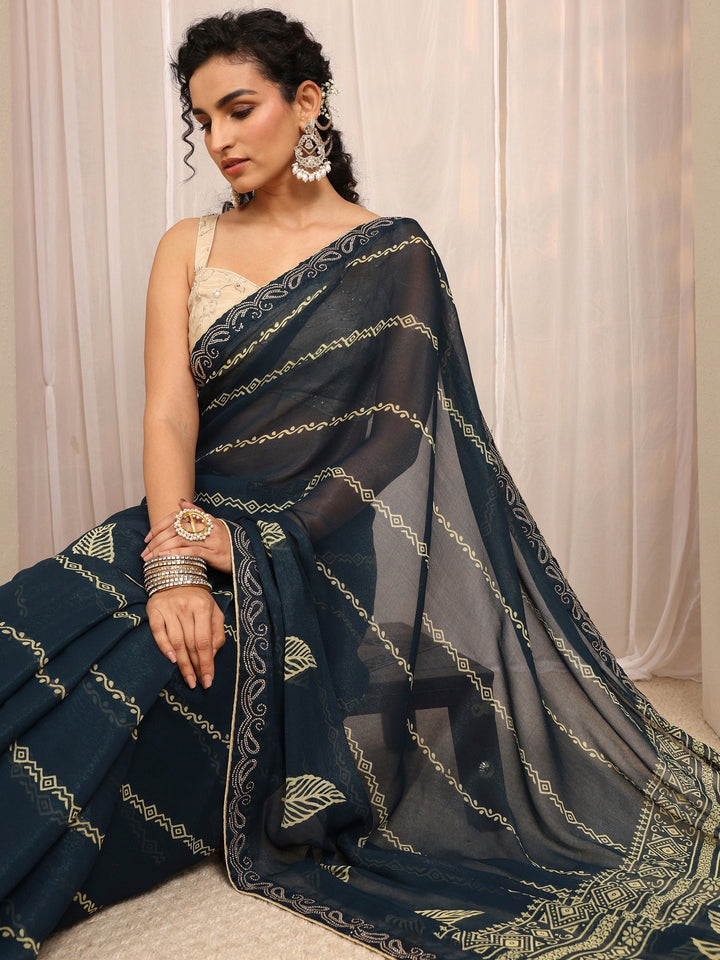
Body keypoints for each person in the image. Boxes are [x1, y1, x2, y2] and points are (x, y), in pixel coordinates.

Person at [1, 9, 719, 960]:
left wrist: (258, 547)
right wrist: (174, 560)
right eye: (202, 120)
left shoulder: (394, 253)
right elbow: (169, 416)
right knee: (39, 627)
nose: (218, 139)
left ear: (307, 104)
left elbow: (394, 440)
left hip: (312, 562)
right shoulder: (188, 244)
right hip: (185, 525)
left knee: (137, 687)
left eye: (239, 109)